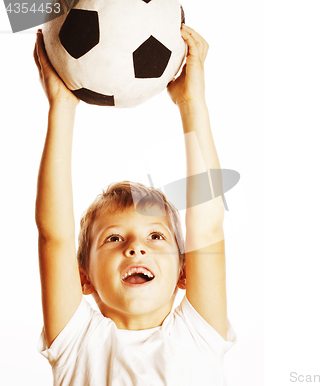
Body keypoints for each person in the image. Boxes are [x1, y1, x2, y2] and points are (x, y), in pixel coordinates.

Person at [33, 23, 236, 385]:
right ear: (83, 277)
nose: (135, 249)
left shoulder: (198, 334)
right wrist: (61, 107)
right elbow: (55, 237)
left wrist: (192, 103)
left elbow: (207, 225)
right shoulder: (77, 341)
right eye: (113, 238)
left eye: (156, 237)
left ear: (185, 272)